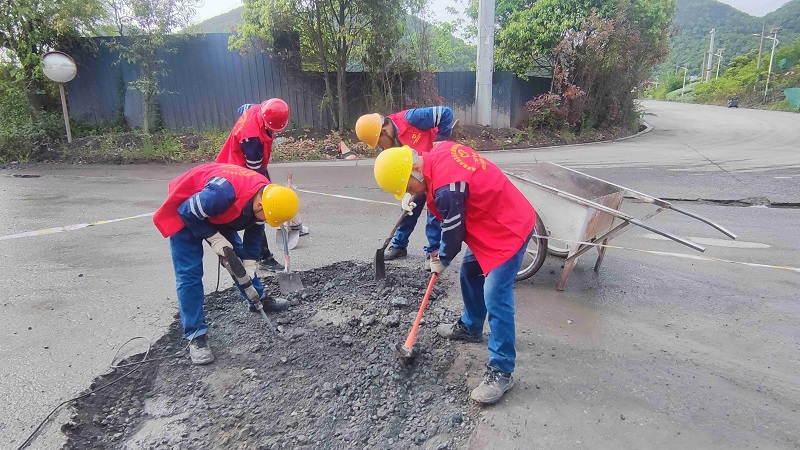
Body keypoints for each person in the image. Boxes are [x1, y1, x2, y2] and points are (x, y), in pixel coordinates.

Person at [373, 143, 536, 405]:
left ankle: (502, 371)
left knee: (495, 294)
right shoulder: (437, 153)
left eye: (407, 187)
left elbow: (453, 230)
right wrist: (416, 197)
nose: (408, 192)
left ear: (414, 168)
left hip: (508, 228)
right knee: (470, 272)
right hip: (487, 221)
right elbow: (445, 207)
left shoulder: (447, 188)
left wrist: (441, 258)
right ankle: (471, 326)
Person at [153, 163, 299, 365]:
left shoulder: (268, 195)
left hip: (221, 213)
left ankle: (257, 299)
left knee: (237, 258)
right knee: (190, 275)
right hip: (188, 211)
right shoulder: (221, 194)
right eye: (265, 217)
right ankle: (196, 336)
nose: (264, 220)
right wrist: (214, 238)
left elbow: (255, 231)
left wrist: (250, 262)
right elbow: (186, 211)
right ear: (259, 206)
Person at [355, 107, 455, 262]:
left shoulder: (412, 119)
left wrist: (439, 144)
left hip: (434, 170)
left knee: (434, 210)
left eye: (379, 143)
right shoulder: (391, 144)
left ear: (384, 131)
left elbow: (445, 113)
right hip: (414, 176)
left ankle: (434, 250)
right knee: (408, 207)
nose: (382, 148)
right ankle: (399, 245)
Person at [216, 98, 300, 272]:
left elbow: (244, 108)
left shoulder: (258, 109)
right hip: (238, 171)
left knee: (263, 205)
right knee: (259, 210)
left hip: (249, 165)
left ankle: (259, 254)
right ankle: (262, 256)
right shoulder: (251, 138)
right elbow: (255, 173)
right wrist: (270, 197)